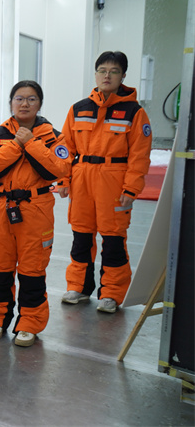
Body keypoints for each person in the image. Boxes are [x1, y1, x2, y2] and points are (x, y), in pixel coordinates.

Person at [58, 51, 152, 313]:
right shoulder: (78, 109)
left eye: (114, 71)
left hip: (114, 181)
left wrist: (131, 189)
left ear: (123, 76)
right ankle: (79, 287)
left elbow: (140, 155)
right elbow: (65, 149)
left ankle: (111, 293)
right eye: (102, 70)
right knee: (81, 236)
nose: (107, 76)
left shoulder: (134, 112)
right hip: (82, 180)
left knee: (113, 240)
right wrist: (63, 179)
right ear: (96, 74)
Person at [0, 81, 71, 347]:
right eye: (19, 98)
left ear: (39, 104)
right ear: (11, 102)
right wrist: (15, 144)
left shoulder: (54, 137)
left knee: (33, 271)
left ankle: (29, 323)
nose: (24, 104)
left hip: (36, 210)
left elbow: (59, 169)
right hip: (0, 209)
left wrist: (31, 142)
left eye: (31, 99)